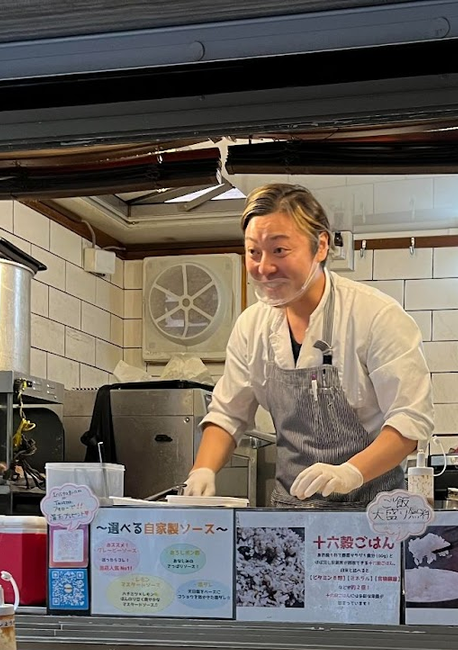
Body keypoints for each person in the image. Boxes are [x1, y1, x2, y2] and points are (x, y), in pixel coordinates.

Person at [184, 184, 435, 507]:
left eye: (279, 250)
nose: (264, 268)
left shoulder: (376, 315)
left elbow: (410, 423)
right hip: (290, 515)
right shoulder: (251, 327)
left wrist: (350, 473)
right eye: (253, 252)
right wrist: (203, 470)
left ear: (321, 246)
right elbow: (228, 413)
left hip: (373, 514)